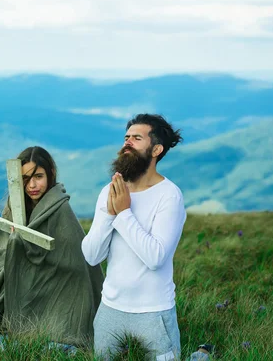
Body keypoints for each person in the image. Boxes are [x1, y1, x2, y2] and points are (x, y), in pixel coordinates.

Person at [0, 146, 104, 350]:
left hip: (58, 296)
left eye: (39, 176)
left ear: (50, 175)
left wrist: (35, 264)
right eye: (25, 178)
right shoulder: (15, 207)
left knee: (56, 339)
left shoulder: (61, 210)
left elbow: (75, 263)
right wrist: (17, 252)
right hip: (24, 293)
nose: (32, 185)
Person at [81, 114, 186, 361]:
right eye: (126, 137)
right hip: (110, 310)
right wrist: (110, 213)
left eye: (137, 138)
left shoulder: (169, 195)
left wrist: (124, 213)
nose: (127, 142)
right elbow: (92, 256)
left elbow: (156, 257)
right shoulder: (111, 191)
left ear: (156, 150)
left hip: (154, 313)